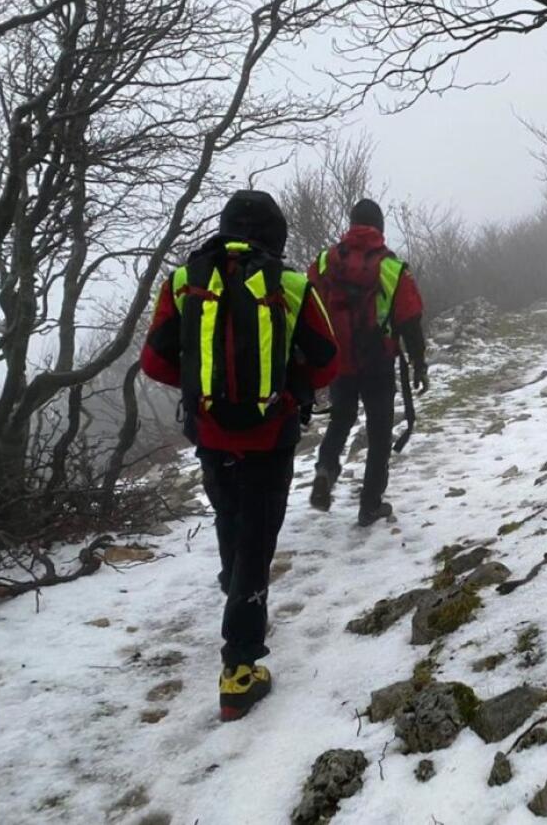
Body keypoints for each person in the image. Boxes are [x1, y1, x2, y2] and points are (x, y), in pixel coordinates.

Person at [140, 190, 338, 721]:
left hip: (209, 433)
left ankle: (236, 589)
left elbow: (154, 362)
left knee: (230, 518)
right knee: (257, 539)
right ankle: (240, 668)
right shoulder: (292, 284)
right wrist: (288, 386)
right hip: (271, 436)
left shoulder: (185, 282)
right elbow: (327, 361)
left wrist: (202, 388)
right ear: (276, 235)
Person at [308, 198, 428, 526]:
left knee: (341, 419)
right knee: (378, 433)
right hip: (378, 361)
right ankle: (370, 505)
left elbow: (307, 308)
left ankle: (325, 469)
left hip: (339, 362)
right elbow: (410, 321)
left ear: (351, 224)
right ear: (380, 227)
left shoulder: (323, 262)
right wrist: (419, 362)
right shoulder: (391, 268)